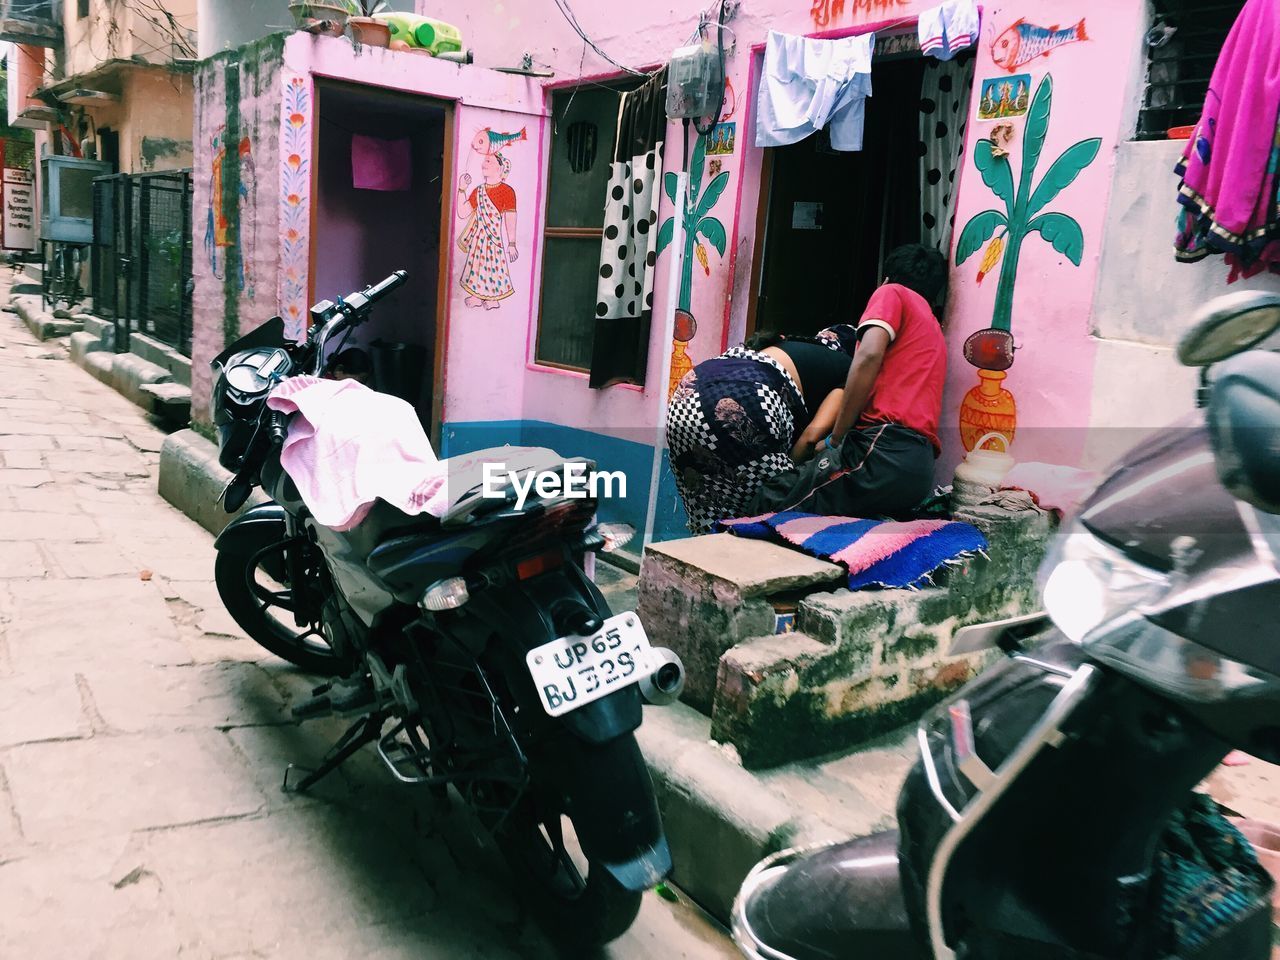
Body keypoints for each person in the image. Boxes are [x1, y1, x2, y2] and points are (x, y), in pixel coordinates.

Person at [748, 244, 948, 518]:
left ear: (886, 278)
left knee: (769, 500)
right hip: (919, 468)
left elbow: (868, 357)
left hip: (882, 451)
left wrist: (836, 439)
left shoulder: (892, 293)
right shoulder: (933, 327)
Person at [666, 324, 858, 534]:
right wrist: (788, 476)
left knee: (708, 508)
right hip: (746, 396)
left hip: (687, 392)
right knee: (765, 517)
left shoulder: (786, 347)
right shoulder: (852, 370)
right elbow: (811, 437)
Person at [457, 152, 518, 309]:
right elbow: (463, 213)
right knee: (476, 266)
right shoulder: (478, 191)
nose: (484, 163)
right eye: (484, 161)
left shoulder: (507, 191)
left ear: (500, 168)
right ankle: (477, 296)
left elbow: (510, 217)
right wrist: (462, 189)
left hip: (493, 239)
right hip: (478, 239)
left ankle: (492, 298)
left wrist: (511, 243)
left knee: (493, 266)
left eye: (489, 161)